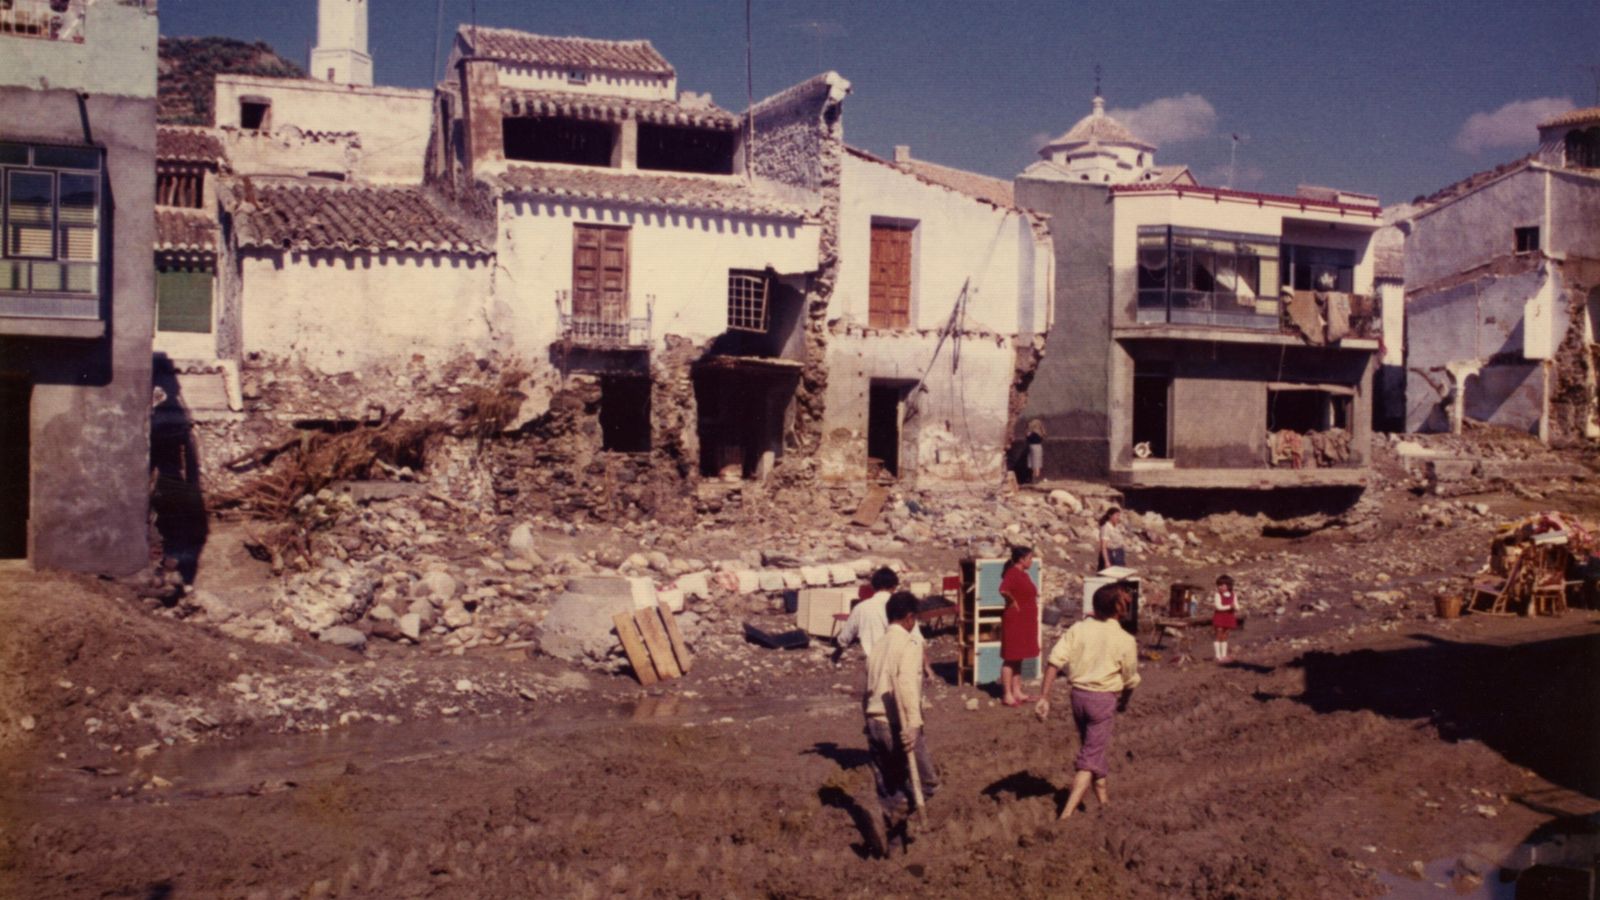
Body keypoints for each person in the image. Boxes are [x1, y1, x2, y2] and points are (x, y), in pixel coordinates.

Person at [1035, 581, 1140, 820]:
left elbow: (1054, 662)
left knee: (1093, 748)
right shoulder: (1125, 639)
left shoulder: (1079, 629)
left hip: (1078, 698)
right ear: (1119, 608)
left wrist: (1044, 697)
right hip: (1103, 700)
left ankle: (1104, 802)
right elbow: (1130, 679)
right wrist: (1124, 702)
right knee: (1089, 758)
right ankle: (1066, 816)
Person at [862, 591, 940, 856]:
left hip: (874, 722)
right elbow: (906, 686)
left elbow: (868, 690)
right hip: (897, 722)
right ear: (909, 619)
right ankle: (893, 813)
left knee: (889, 786)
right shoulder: (908, 644)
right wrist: (914, 727)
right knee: (928, 782)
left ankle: (892, 850)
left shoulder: (878, 647)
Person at [834, 567, 934, 680]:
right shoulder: (902, 605)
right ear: (894, 586)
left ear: (873, 586)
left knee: (875, 695)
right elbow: (917, 639)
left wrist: (834, 657)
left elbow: (844, 638)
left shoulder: (861, 608)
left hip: (874, 666)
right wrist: (927, 667)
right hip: (901, 665)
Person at [998, 546, 1040, 707]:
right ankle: (1007, 694)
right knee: (1010, 657)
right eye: (1029, 558)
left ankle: (1017, 690)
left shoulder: (1023, 574)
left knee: (1019, 656)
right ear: (1021, 559)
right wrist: (1012, 601)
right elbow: (1003, 589)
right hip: (1015, 620)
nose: (1031, 561)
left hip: (1025, 620)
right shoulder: (1012, 573)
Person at [1212, 574, 1241, 662]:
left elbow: (1237, 606)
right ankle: (1218, 656)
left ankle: (1224, 655)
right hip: (1220, 617)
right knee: (1218, 635)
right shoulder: (1217, 595)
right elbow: (1218, 607)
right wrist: (1230, 607)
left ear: (1228, 586)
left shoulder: (1233, 594)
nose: (1220, 587)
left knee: (1225, 636)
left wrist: (1235, 607)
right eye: (1219, 585)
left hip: (1229, 617)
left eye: (1222, 585)